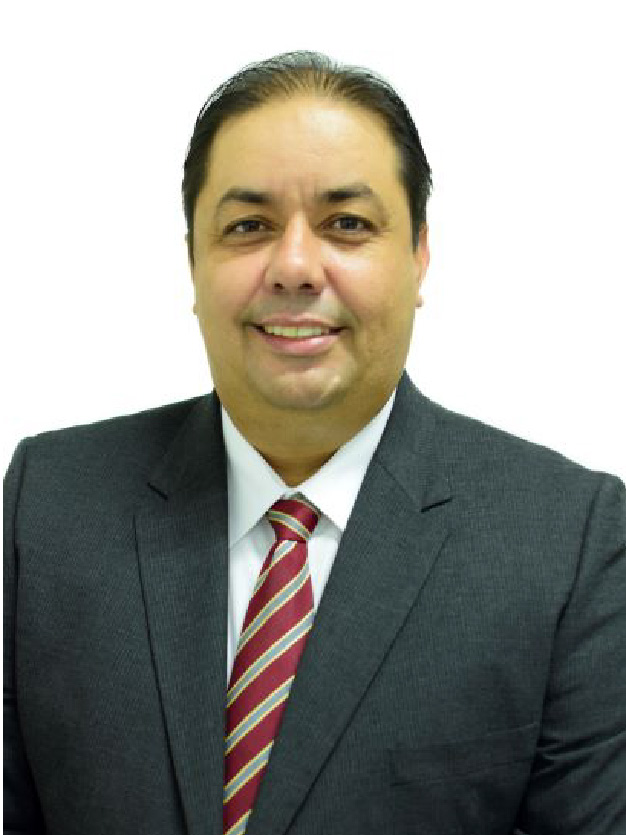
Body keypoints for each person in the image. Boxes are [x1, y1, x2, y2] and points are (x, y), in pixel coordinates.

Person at [3, 50, 625, 835]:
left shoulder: (567, 539)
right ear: (193, 261)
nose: (295, 266)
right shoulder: (45, 507)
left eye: (347, 224)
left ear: (419, 255)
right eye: (249, 226)